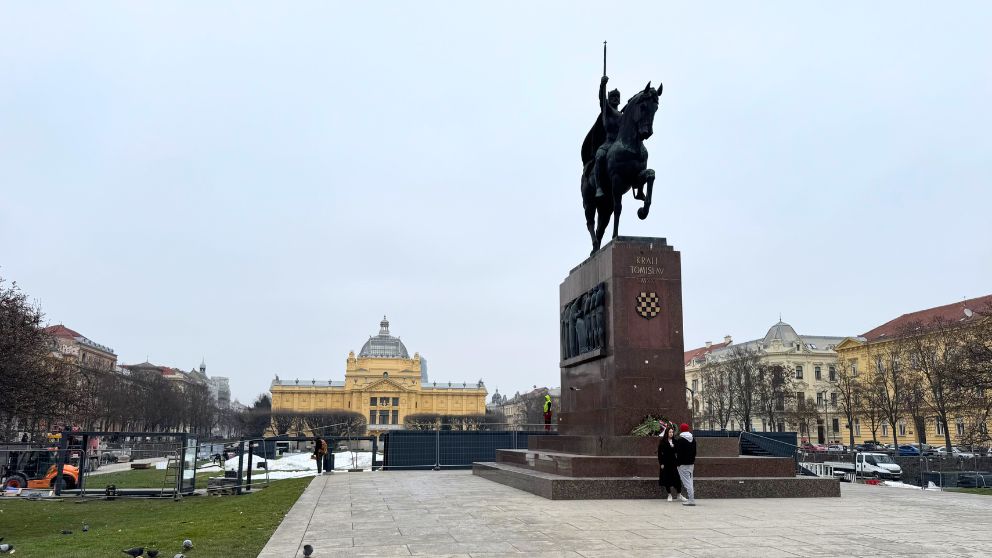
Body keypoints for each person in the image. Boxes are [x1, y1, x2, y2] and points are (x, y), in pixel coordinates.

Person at [657, 424, 682, 502]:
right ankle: (669, 494)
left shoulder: (675, 441)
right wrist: (661, 463)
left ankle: (679, 494)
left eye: (672, 432)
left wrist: (674, 447)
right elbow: (660, 454)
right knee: (667, 479)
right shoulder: (663, 442)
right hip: (666, 462)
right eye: (670, 432)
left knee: (677, 479)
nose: (671, 433)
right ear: (667, 433)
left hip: (673, 462)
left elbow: (678, 451)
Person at [675, 422, 697, 506]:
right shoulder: (693, 439)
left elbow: (679, 453)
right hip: (691, 464)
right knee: (690, 481)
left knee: (687, 483)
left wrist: (678, 464)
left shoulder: (680, 440)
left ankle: (691, 500)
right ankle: (691, 499)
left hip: (682, 465)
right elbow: (695, 452)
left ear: (681, 429)